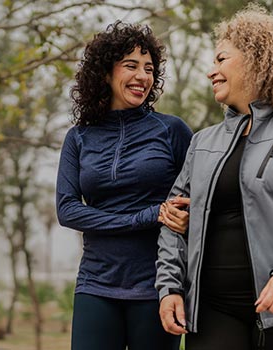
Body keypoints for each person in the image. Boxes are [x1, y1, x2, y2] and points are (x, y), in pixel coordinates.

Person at [153, 5, 273, 349]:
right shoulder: (202, 143)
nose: (211, 71)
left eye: (220, 60)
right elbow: (175, 220)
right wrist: (169, 286)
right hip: (213, 311)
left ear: (256, 60)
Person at [56, 21, 191, 350]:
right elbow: (67, 210)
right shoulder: (79, 137)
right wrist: (144, 216)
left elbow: (195, 202)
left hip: (156, 286)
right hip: (95, 283)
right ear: (105, 72)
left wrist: (186, 220)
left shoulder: (172, 131)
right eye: (131, 65)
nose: (143, 76)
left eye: (149, 68)